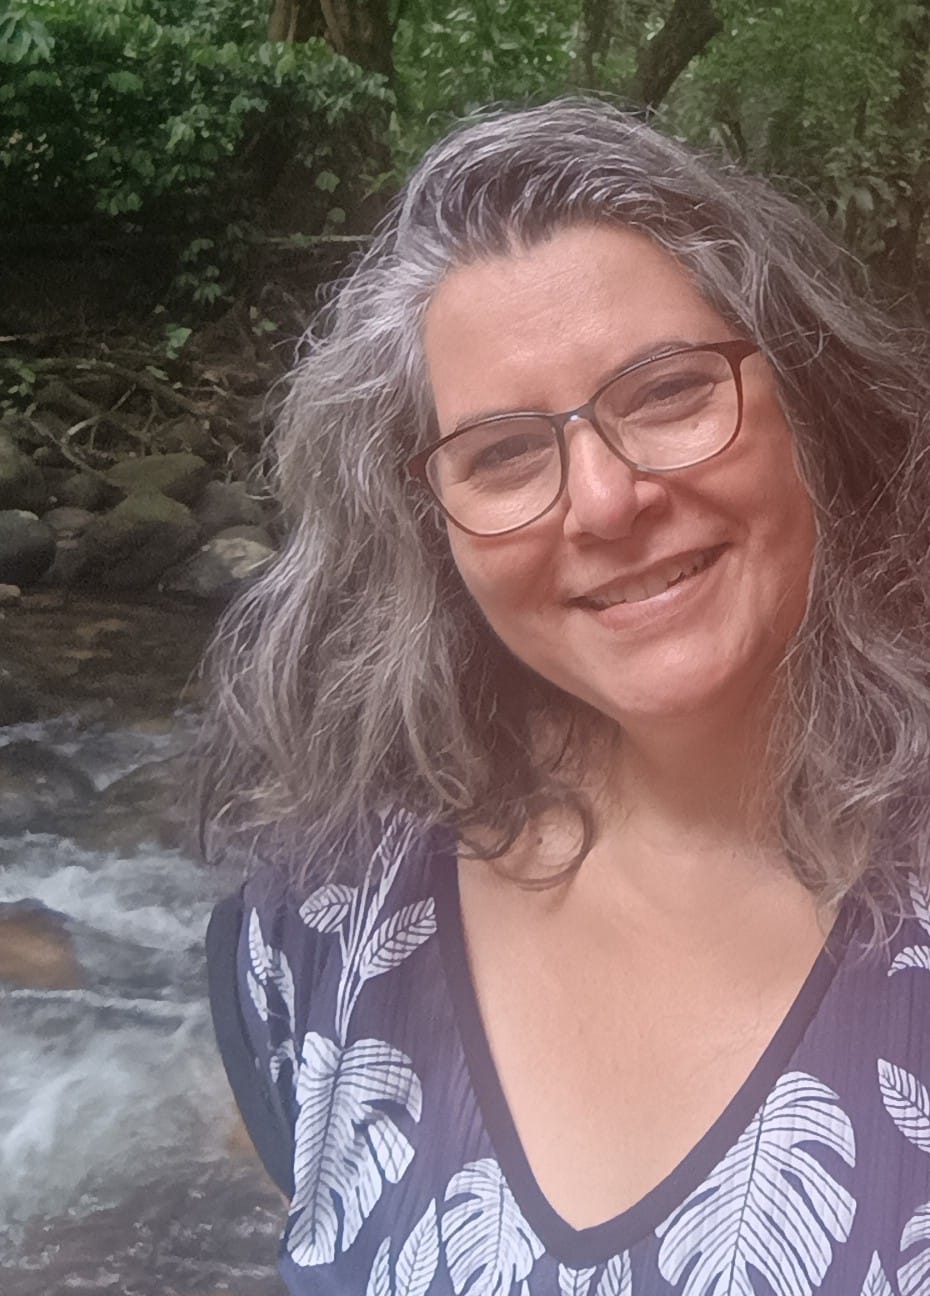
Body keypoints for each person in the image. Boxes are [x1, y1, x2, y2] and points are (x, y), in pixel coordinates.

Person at [198, 99, 930, 1296]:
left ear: (812, 403)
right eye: (501, 454)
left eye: (668, 392)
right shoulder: (327, 923)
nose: (602, 501)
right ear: (430, 530)